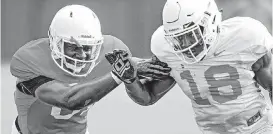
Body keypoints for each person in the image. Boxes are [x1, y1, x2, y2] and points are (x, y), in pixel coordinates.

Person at [105, 0, 273, 133]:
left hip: (257, 128)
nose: (185, 45)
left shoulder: (244, 37)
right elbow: (148, 97)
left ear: (211, 22)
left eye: (191, 35)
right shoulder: (166, 49)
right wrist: (130, 80)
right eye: (178, 38)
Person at [10, 4, 170, 134]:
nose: (83, 56)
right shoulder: (31, 59)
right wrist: (117, 75)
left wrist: (169, 65)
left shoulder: (109, 52)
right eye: (74, 47)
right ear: (55, 42)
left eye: (89, 48)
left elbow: (141, 93)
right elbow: (68, 100)